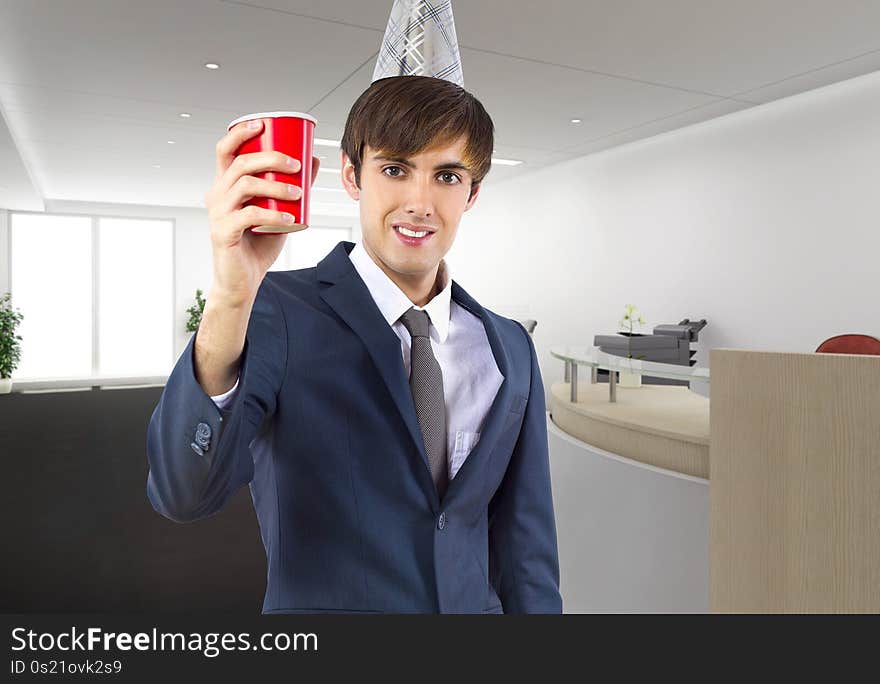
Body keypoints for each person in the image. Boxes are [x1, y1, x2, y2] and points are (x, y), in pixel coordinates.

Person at [146, 74, 562, 614]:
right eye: (394, 169)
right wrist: (230, 296)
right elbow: (183, 494)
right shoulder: (276, 312)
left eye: (448, 175)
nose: (420, 202)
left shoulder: (508, 346)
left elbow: (525, 546)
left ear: (473, 193)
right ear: (350, 175)